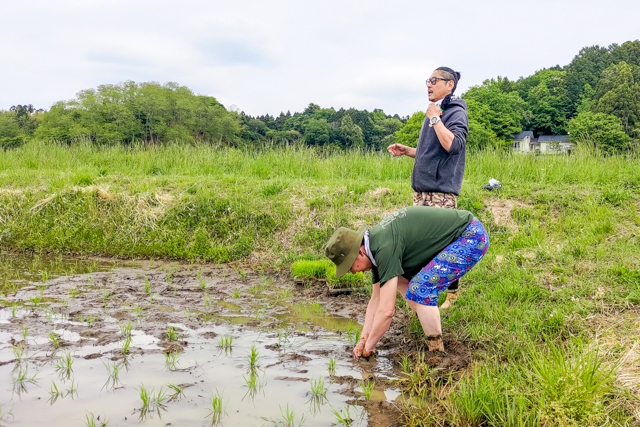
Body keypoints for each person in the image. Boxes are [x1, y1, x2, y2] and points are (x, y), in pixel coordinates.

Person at [324, 206, 488, 356]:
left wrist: (369, 348)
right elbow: (376, 299)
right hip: (463, 234)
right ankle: (425, 321)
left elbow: (387, 311)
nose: (352, 272)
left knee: (419, 290)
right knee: (403, 282)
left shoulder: (384, 247)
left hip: (471, 236)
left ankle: (436, 351)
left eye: (350, 266)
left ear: (360, 253)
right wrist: (363, 339)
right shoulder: (374, 246)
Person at [387, 67, 468, 309]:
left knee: (442, 246)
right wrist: (409, 151)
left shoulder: (454, 111)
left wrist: (435, 118)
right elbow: (432, 153)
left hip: (441, 192)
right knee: (421, 244)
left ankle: (452, 296)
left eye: (434, 81)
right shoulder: (435, 111)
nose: (429, 85)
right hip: (423, 191)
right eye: (428, 81)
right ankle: (422, 294)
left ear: (449, 85)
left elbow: (453, 145)